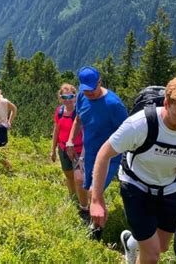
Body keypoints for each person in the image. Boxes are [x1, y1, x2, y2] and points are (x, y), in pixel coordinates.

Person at [90, 77, 176, 264]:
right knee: (152, 254)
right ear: (166, 103)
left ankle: (131, 243)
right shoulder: (139, 125)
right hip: (137, 188)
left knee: (162, 246)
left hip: (171, 187)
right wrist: (97, 200)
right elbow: (104, 154)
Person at [66, 66, 128, 238]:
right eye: (85, 90)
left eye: (92, 89)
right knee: (85, 185)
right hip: (90, 152)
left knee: (95, 191)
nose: (89, 93)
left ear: (100, 82)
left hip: (110, 156)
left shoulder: (114, 104)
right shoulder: (81, 97)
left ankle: (96, 230)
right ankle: (89, 213)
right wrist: (71, 139)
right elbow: (78, 120)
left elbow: (128, 131)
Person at [50, 83, 89, 219]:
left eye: (70, 96)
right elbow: (56, 130)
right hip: (62, 148)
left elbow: (87, 132)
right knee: (68, 175)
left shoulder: (80, 112)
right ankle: (73, 197)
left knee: (80, 177)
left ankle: (83, 202)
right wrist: (53, 149)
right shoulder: (59, 111)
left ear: (75, 97)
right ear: (60, 98)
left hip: (78, 150)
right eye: (64, 96)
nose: (67, 99)